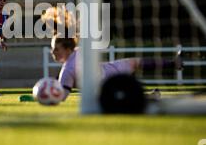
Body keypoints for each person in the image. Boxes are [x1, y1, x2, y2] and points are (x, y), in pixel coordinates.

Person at [51, 34, 182, 101]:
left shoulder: (67, 70)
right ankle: (172, 63)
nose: (53, 52)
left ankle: (150, 96)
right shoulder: (80, 50)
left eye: (56, 49)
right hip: (111, 72)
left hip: (107, 82)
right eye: (52, 49)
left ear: (68, 49)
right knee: (136, 63)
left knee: (123, 98)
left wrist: (48, 92)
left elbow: (62, 96)